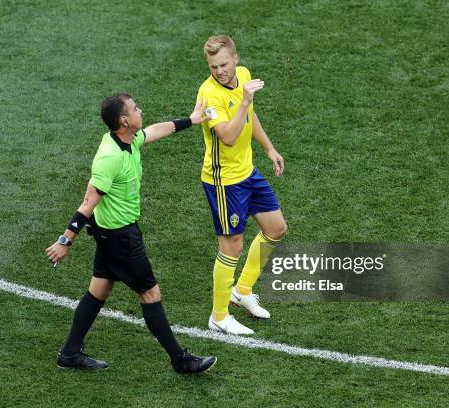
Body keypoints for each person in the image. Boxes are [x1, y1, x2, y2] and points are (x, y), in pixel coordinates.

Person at [45, 93, 216, 373]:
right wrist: (65, 240)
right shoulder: (109, 158)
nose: (141, 110)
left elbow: (154, 131)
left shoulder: (128, 139)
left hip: (110, 233)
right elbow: (88, 202)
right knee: (150, 293)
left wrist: (192, 121)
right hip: (120, 238)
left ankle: (69, 353)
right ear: (125, 120)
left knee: (99, 289)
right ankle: (180, 359)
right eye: (135, 108)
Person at [197, 35, 288, 335]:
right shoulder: (209, 95)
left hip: (247, 172)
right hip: (224, 181)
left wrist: (269, 148)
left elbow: (249, 117)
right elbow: (228, 136)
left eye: (223, 64)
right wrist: (245, 101)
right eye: (213, 66)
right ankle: (219, 316)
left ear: (236, 59)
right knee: (232, 245)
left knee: (276, 228)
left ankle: (243, 290)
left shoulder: (244, 76)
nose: (219, 71)